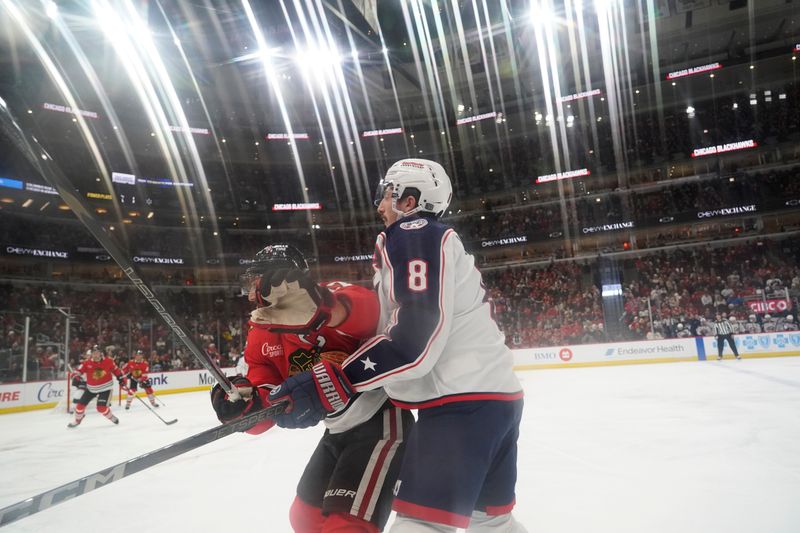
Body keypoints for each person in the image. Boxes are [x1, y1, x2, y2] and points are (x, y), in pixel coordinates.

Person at [269, 160, 527, 532]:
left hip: (461, 405)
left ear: (409, 201)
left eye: (386, 195)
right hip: (494, 400)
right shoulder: (428, 239)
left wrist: (339, 379)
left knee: (421, 524)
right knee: (493, 522)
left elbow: (415, 341)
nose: (379, 206)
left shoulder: (414, 232)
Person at [210, 244, 413, 533]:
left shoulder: (329, 296)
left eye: (256, 282)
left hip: (379, 422)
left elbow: (369, 310)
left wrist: (325, 307)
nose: (252, 293)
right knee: (304, 518)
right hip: (336, 429)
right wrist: (242, 407)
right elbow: (267, 400)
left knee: (347, 526)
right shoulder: (260, 331)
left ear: (280, 279)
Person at [68, 345, 124, 428]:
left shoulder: (109, 361)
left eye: (97, 353)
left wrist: (120, 378)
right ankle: (77, 420)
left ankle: (111, 417)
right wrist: (75, 375)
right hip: (91, 389)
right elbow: (79, 371)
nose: (95, 355)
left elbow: (116, 370)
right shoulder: (87, 363)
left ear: (101, 354)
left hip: (105, 389)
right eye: (94, 353)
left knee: (101, 408)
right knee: (79, 407)